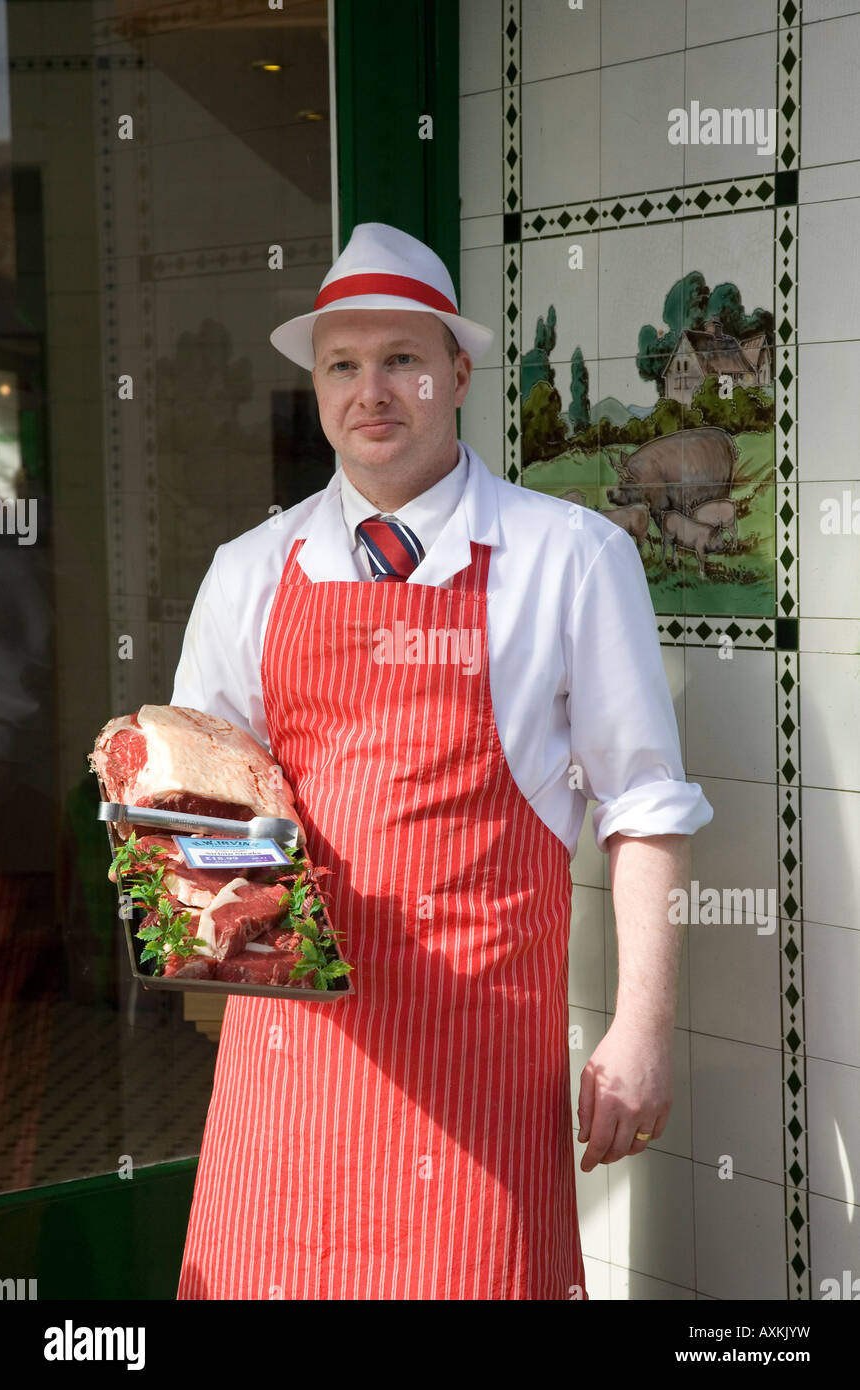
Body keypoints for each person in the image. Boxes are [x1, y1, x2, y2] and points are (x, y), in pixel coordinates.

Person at [172, 221, 713, 1301]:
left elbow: (642, 801)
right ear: (318, 388)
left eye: (402, 360)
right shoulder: (246, 572)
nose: (371, 390)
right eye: (343, 364)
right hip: (290, 1067)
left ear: (457, 374)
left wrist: (641, 1024)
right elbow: (195, 802)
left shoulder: (569, 557)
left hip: (477, 1061)